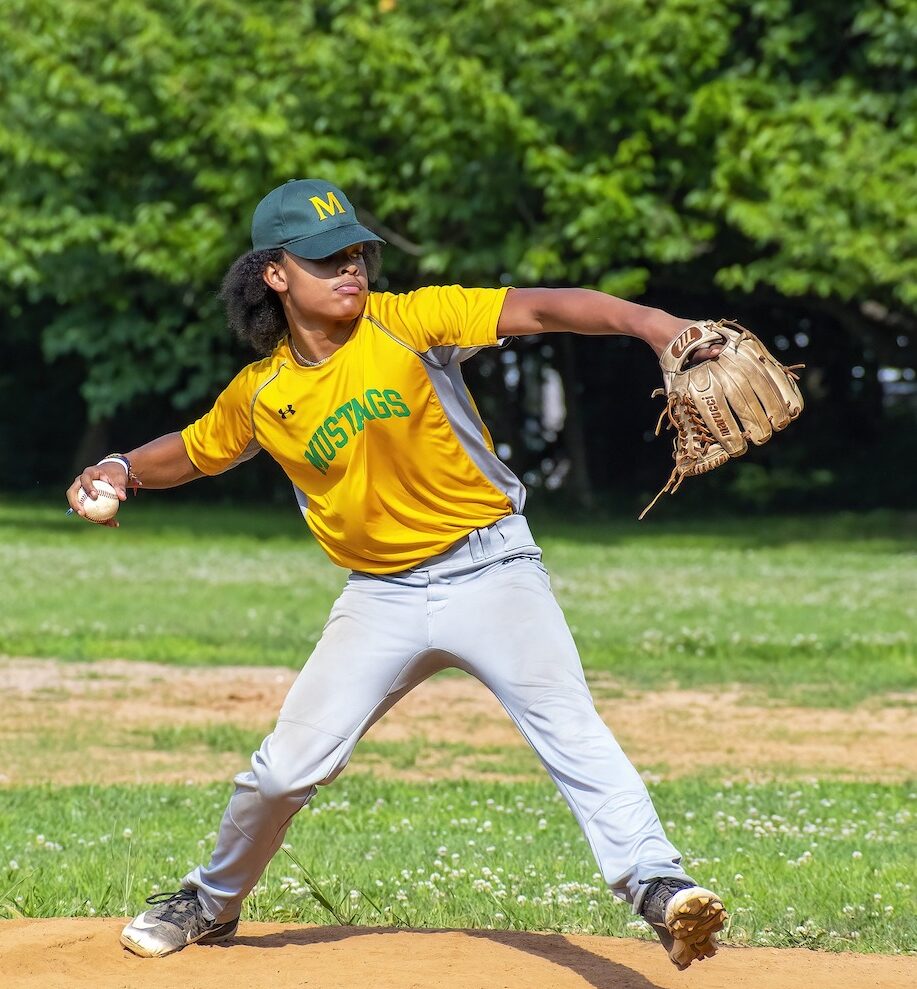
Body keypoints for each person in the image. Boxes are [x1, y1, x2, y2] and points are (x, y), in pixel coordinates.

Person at [67, 178, 727, 970]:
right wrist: (119, 468)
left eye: (356, 252)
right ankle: (210, 901)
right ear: (275, 274)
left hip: (492, 567)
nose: (351, 268)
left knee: (572, 731)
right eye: (325, 258)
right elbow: (194, 447)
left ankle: (658, 886)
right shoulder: (264, 392)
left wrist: (656, 325)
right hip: (378, 598)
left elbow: (544, 307)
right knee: (281, 773)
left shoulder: (409, 322)